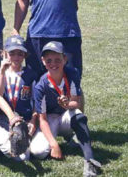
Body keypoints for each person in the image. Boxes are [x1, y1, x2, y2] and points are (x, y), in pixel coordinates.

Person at [30, 41, 101, 177]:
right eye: (49, 60)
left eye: (58, 59)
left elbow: (76, 102)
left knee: (78, 115)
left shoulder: (72, 73)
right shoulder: (41, 86)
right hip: (50, 119)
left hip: (65, 115)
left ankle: (90, 160)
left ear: (65, 59)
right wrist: (54, 144)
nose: (53, 64)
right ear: (43, 61)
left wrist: (68, 105)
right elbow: (43, 120)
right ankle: (67, 139)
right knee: (38, 153)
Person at [0, 35, 38, 136]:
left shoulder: (30, 74)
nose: (16, 57)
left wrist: (33, 120)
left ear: (25, 55)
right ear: (4, 54)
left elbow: (36, 101)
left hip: (25, 119)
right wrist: (2, 72)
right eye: (12, 53)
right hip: (4, 119)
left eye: (20, 54)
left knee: (38, 150)